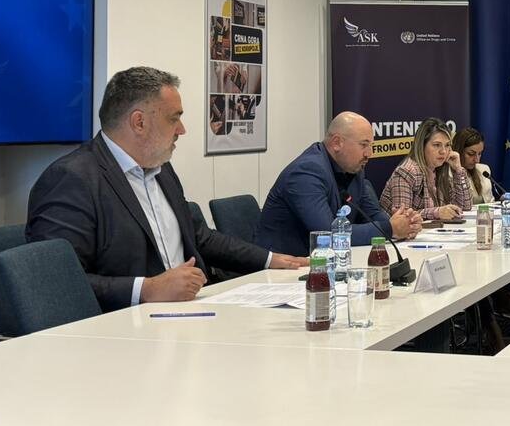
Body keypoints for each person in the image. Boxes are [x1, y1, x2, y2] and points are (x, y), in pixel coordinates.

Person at [26, 67, 306, 313]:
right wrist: (147, 288)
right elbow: (57, 281)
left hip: (191, 311)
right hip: (123, 329)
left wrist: (271, 260)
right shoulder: (72, 179)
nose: (182, 130)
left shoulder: (161, 169)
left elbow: (199, 237)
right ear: (139, 122)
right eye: (174, 118)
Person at [254, 112, 421, 256]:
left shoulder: (354, 169)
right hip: (280, 268)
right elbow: (328, 234)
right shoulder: (306, 172)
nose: (369, 154)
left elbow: (373, 215)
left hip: (323, 262)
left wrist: (404, 224)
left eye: (371, 145)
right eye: (364, 145)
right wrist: (390, 229)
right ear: (336, 143)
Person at [380, 118, 472, 220]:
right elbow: (403, 217)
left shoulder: (440, 170)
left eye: (447, 145)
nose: (443, 151)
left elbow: (465, 207)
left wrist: (458, 170)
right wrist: (437, 213)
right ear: (422, 146)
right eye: (437, 145)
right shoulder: (407, 172)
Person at [452, 127, 494, 204]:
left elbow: (491, 202)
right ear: (458, 151)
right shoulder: (447, 175)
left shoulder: (483, 170)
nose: (477, 160)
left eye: (480, 154)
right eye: (471, 154)